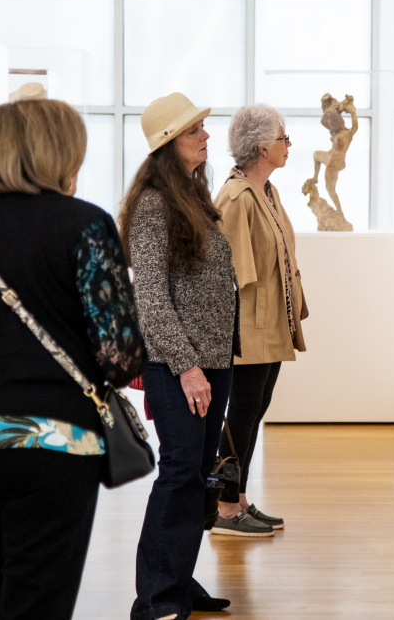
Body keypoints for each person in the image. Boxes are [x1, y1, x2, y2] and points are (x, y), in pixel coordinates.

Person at [0, 99, 147, 620]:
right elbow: (120, 354)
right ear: (59, 155)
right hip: (48, 441)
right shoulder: (85, 225)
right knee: (35, 601)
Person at [119, 92, 240, 620]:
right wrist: (187, 366)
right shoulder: (152, 206)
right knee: (179, 472)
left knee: (196, 477)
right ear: (169, 145)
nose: (206, 137)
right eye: (195, 131)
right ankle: (156, 601)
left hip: (212, 360)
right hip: (180, 365)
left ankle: (178, 583)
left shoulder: (192, 194)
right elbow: (150, 296)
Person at [210, 103, 307, 536]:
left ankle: (239, 497)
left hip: (267, 323)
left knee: (253, 410)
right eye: (284, 138)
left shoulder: (266, 190)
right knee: (242, 415)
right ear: (264, 147)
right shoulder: (235, 197)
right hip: (244, 328)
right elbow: (222, 276)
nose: (288, 145)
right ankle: (225, 507)